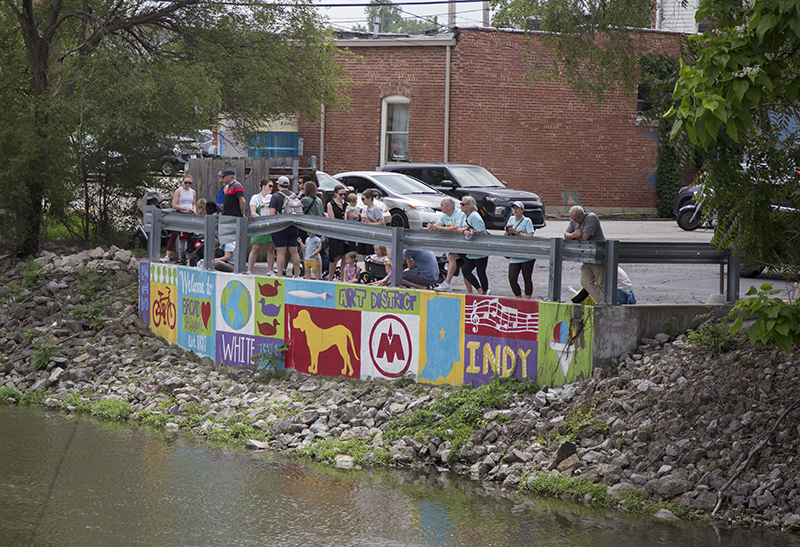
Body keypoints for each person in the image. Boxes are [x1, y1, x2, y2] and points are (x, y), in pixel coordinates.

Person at [564, 205, 606, 303]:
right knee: (585, 281)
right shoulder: (574, 220)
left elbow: (584, 238)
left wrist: (573, 238)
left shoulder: (591, 217)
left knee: (601, 283)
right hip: (586, 257)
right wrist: (573, 235)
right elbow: (566, 235)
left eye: (576, 219)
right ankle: (602, 301)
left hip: (597, 255)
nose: (574, 221)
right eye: (572, 219)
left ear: (582, 214)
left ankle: (604, 304)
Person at [429, 197, 466, 292]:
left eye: (442, 205)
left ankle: (480, 289)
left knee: (466, 268)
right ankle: (448, 283)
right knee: (454, 260)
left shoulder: (459, 214)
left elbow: (455, 228)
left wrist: (438, 228)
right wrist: (432, 226)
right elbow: (437, 226)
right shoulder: (444, 215)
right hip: (455, 245)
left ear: (449, 206)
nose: (440, 207)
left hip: (465, 245)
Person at [269, 176, 301, 278]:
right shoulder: (294, 196)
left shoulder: (275, 196)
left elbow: (272, 214)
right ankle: (296, 274)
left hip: (280, 226)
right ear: (288, 185)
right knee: (294, 251)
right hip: (293, 225)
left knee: (280, 252)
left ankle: (279, 274)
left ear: (278, 185)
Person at [161, 174, 196, 263]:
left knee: (189, 236)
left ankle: (189, 258)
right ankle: (167, 255)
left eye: (190, 183)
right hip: (180, 213)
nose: (187, 185)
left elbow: (193, 203)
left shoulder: (193, 192)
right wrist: (185, 208)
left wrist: (194, 210)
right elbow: (175, 204)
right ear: (183, 182)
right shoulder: (178, 191)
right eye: (186, 183)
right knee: (174, 234)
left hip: (189, 214)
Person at [459, 196, 490, 295]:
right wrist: (465, 230)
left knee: (480, 272)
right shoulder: (465, 216)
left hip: (480, 249)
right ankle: (480, 290)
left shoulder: (474, 216)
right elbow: (459, 227)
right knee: (466, 271)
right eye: (461, 203)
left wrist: (472, 231)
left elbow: (481, 231)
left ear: (470, 206)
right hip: (472, 250)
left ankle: (485, 291)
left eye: (463, 204)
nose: (461, 206)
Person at [216, 168, 245, 271]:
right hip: (227, 218)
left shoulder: (237, 186)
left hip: (234, 218)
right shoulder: (228, 187)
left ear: (229, 177)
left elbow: (242, 200)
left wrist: (242, 213)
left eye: (224, 177)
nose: (222, 178)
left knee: (232, 239)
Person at [505, 201, 536, 299]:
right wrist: (507, 231)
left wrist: (517, 233)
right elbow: (506, 236)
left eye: (517, 208)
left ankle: (527, 299)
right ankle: (519, 298)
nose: (515, 210)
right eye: (513, 208)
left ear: (522, 210)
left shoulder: (527, 221)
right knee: (512, 278)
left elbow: (530, 236)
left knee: (527, 277)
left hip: (526, 253)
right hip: (514, 252)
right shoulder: (510, 219)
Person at [247, 178, 275, 276]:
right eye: (269, 186)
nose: (271, 188)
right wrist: (261, 219)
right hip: (259, 225)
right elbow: (253, 212)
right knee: (255, 248)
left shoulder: (272, 197)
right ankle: (249, 270)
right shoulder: (255, 198)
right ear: (264, 186)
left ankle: (270, 270)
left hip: (270, 225)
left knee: (271, 248)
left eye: (272, 186)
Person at [572, 266, 636, 305]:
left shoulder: (596, 267)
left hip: (618, 295)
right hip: (629, 295)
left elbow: (587, 288)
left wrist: (575, 301)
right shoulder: (610, 263)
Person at [326, 184, 349, 280]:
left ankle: (343, 278)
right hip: (336, 232)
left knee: (345, 256)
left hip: (345, 232)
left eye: (344, 194)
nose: (343, 196)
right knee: (335, 257)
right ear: (335, 194)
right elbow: (332, 218)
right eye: (341, 194)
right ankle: (330, 278)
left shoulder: (346, 205)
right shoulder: (331, 204)